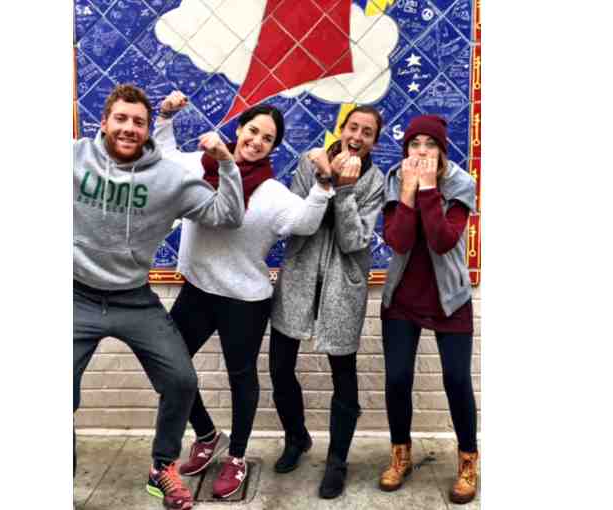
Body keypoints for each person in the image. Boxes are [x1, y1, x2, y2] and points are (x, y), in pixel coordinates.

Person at [149, 91, 335, 499]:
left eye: (268, 138)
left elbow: (305, 222)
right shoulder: (202, 165)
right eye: (253, 131)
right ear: (239, 129)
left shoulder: (272, 193)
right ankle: (206, 435)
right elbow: (165, 157)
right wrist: (164, 116)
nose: (257, 141)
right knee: (170, 369)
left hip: (245, 301)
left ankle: (236, 456)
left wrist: (323, 182)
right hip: (197, 290)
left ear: (273, 147)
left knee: (241, 377)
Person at [73, 84, 245, 510]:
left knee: (181, 381)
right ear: (104, 122)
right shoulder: (72, 158)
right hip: (74, 296)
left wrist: (227, 162)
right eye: (121, 119)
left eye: (138, 122)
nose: (129, 128)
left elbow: (228, 216)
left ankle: (162, 466)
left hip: (133, 298)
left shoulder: (170, 179)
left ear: (148, 129)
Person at [269, 105, 386, 499]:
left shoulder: (376, 181)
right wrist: (324, 179)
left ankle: (337, 460)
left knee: (344, 377)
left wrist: (347, 190)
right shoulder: (311, 163)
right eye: (353, 127)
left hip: (342, 287)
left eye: (367, 132)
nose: (357, 137)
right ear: (342, 128)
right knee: (279, 366)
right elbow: (299, 222)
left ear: (374, 142)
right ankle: (296, 437)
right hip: (299, 278)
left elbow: (354, 241)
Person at [378, 115, 478, 504]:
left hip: (449, 297)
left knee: (457, 380)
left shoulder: (460, 182)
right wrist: (407, 192)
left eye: (430, 144)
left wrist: (429, 189)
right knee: (397, 379)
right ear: (406, 149)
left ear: (442, 150)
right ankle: (400, 454)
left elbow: (442, 240)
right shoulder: (394, 178)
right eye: (415, 143)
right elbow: (399, 241)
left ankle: (468, 460)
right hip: (403, 296)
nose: (422, 151)